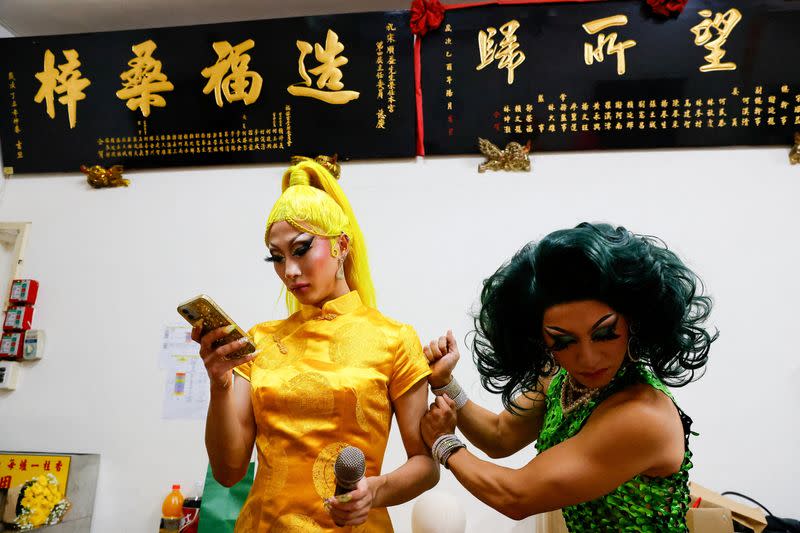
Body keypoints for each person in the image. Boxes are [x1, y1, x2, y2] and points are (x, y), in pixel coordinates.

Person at [421, 222, 717, 531]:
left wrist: (444, 442)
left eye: (605, 334)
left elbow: (516, 496)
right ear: (539, 339)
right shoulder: (560, 378)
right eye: (564, 341)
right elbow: (500, 436)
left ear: (634, 321)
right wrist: (445, 383)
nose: (587, 358)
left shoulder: (642, 416)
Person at [196, 158, 438, 532]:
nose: (289, 271)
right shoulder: (260, 341)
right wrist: (220, 384)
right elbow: (229, 472)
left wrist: (375, 491)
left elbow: (425, 465)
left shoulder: (395, 339)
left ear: (341, 245)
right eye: (276, 257)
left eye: (301, 249)